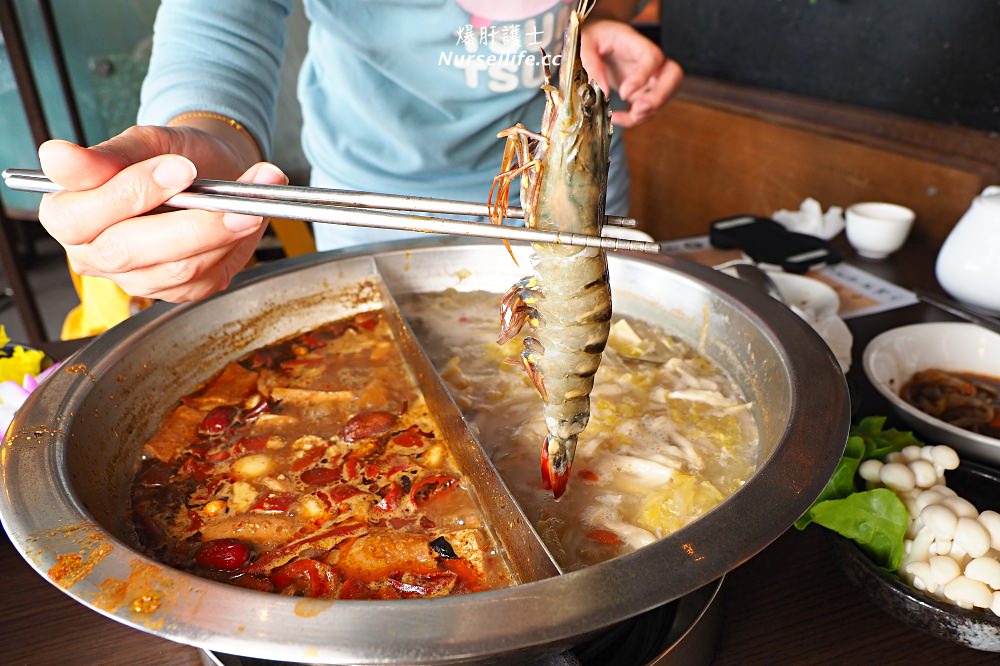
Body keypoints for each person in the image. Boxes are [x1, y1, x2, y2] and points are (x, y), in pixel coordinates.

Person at [37, 0, 682, 303]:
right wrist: (209, 142)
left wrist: (598, 20)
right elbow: (223, 18)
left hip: (572, 190)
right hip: (372, 200)